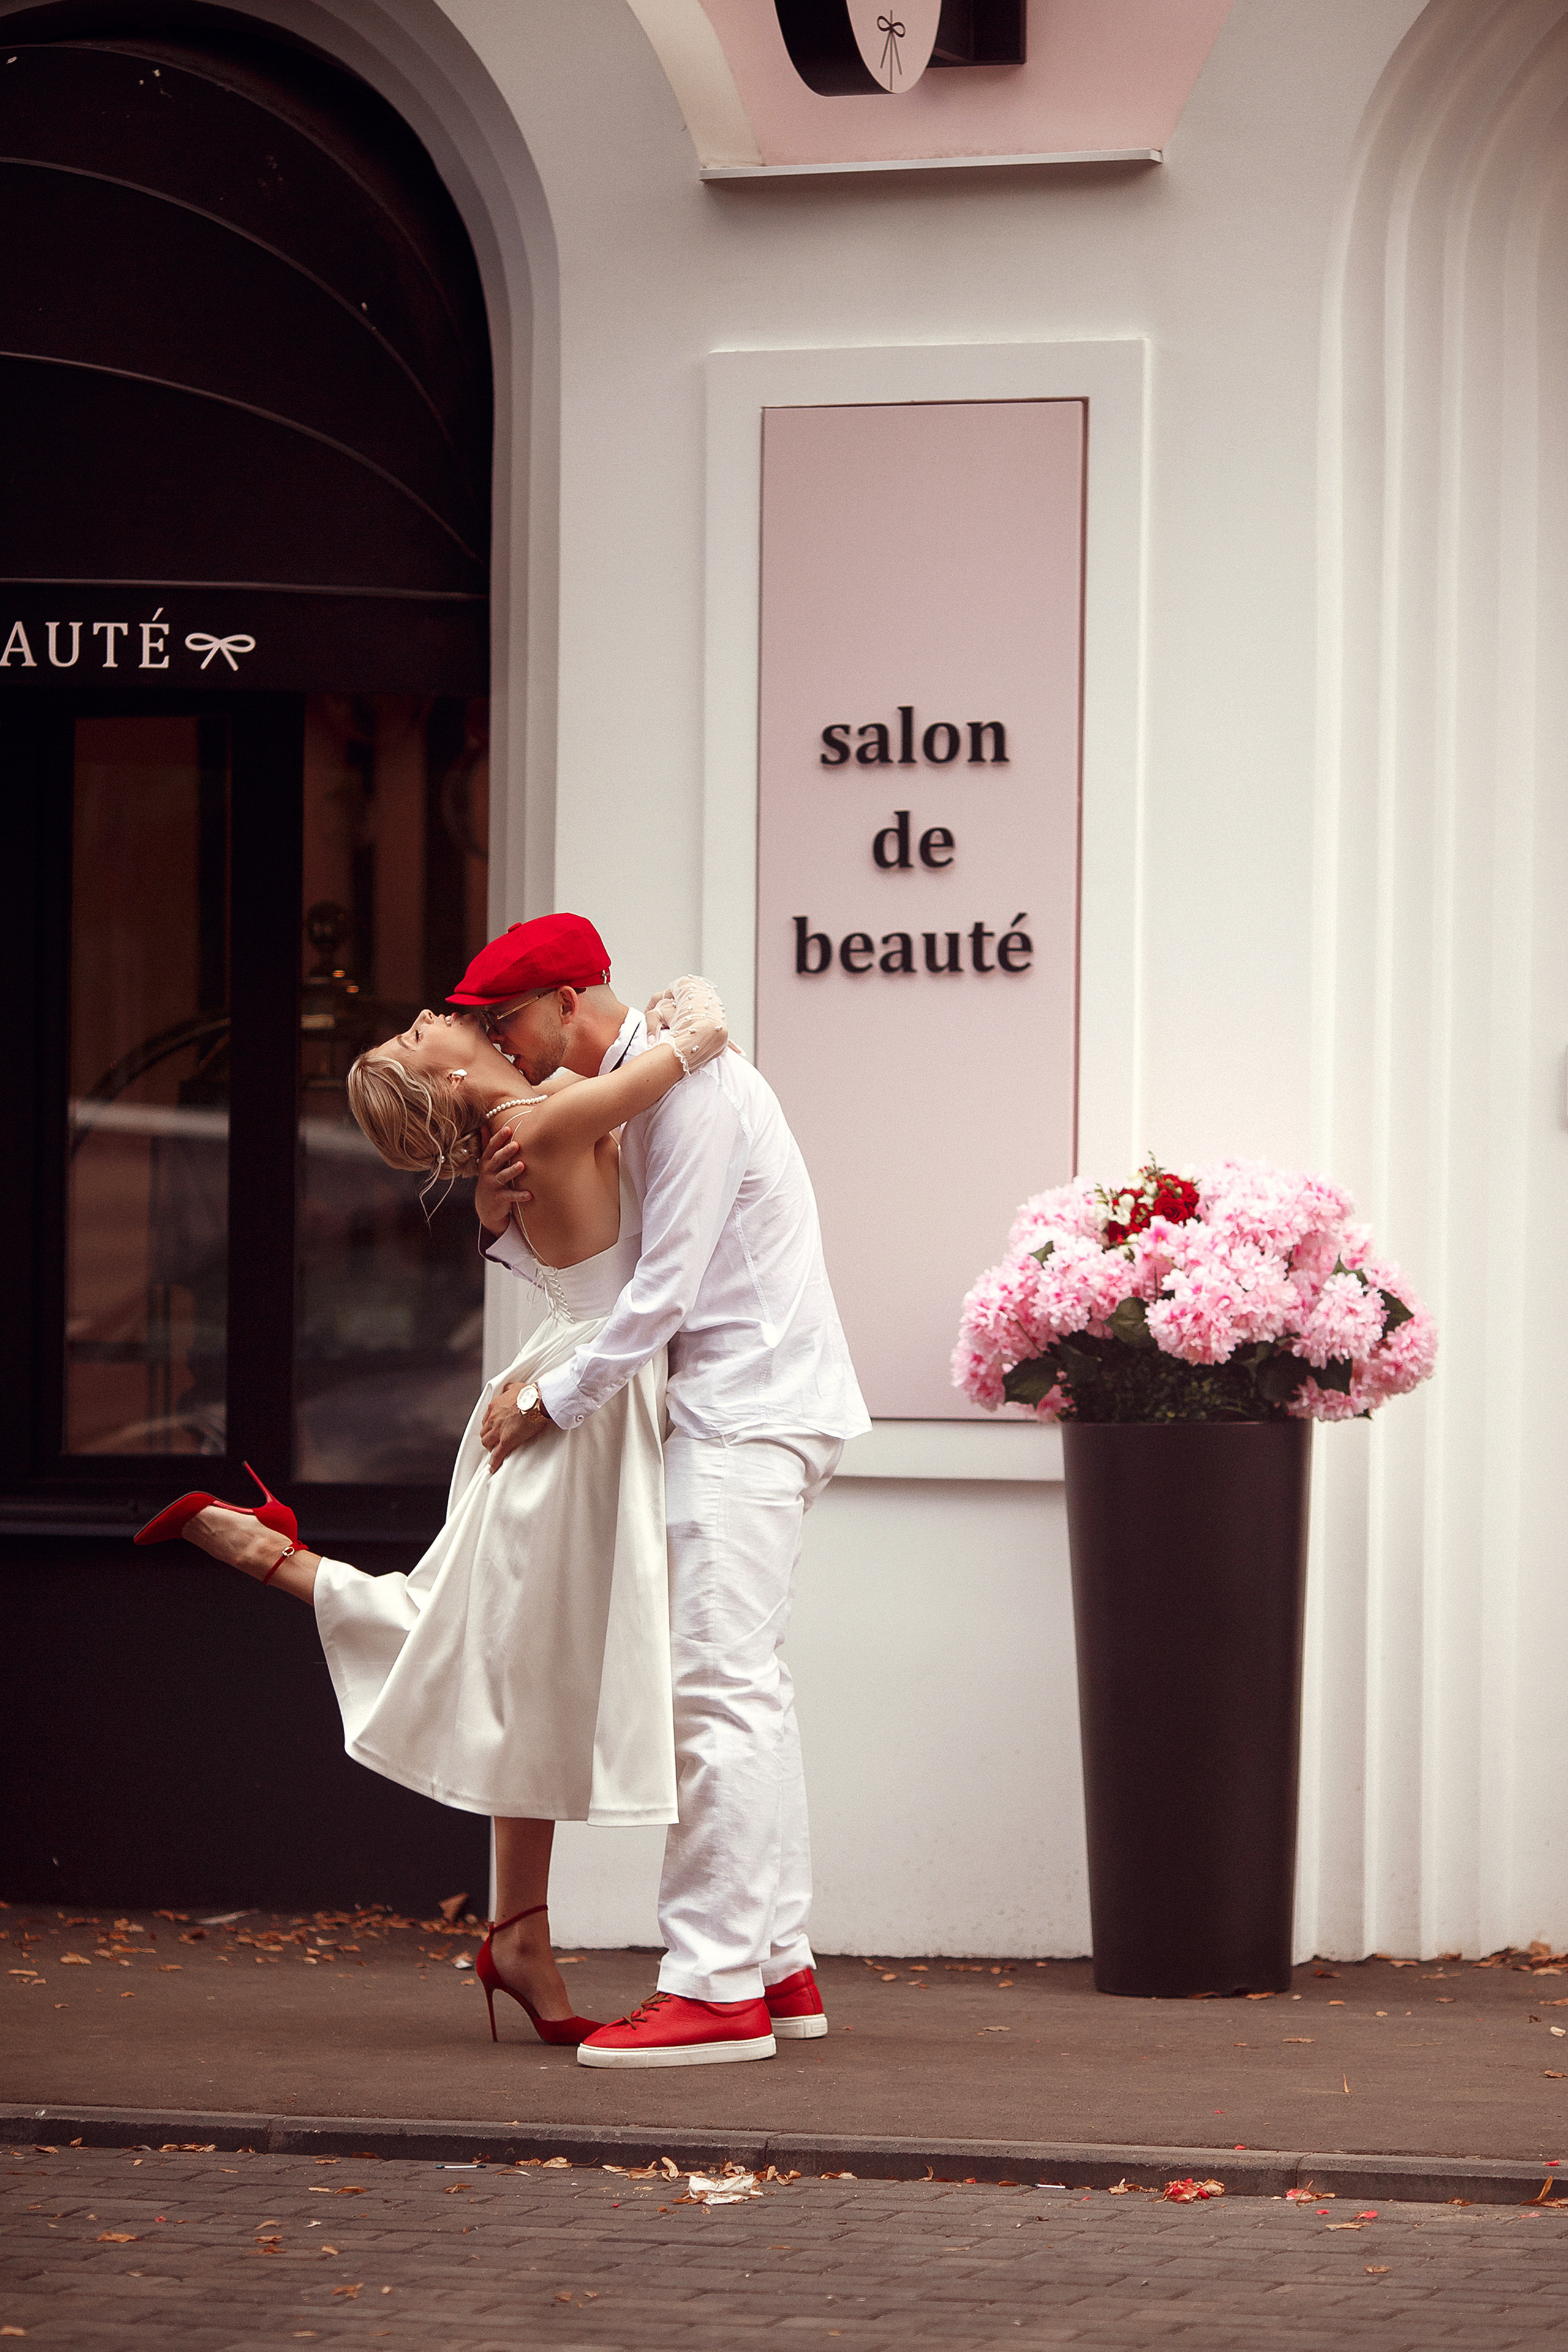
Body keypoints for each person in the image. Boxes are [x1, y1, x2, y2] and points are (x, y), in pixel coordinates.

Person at [134, 973, 730, 2049]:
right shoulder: (544, 1119)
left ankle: (518, 1933)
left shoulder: (531, 1125)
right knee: (488, 1642)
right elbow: (683, 1057)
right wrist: (696, 1009)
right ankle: (282, 1563)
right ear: (449, 1073)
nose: (443, 1016)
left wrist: (496, 1200)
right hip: (576, 1410)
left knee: (521, 1662)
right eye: (427, 1030)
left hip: (577, 1392)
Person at [452, 912, 870, 2070]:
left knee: (715, 1697)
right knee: (750, 1693)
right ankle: (776, 1966)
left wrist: (551, 1401)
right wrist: (500, 1218)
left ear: (575, 998)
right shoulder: (655, 1086)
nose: (502, 1041)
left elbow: (665, 1292)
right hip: (752, 1408)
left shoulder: (692, 1092)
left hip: (745, 1412)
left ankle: (715, 1990)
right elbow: (617, 1282)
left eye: (508, 1018)